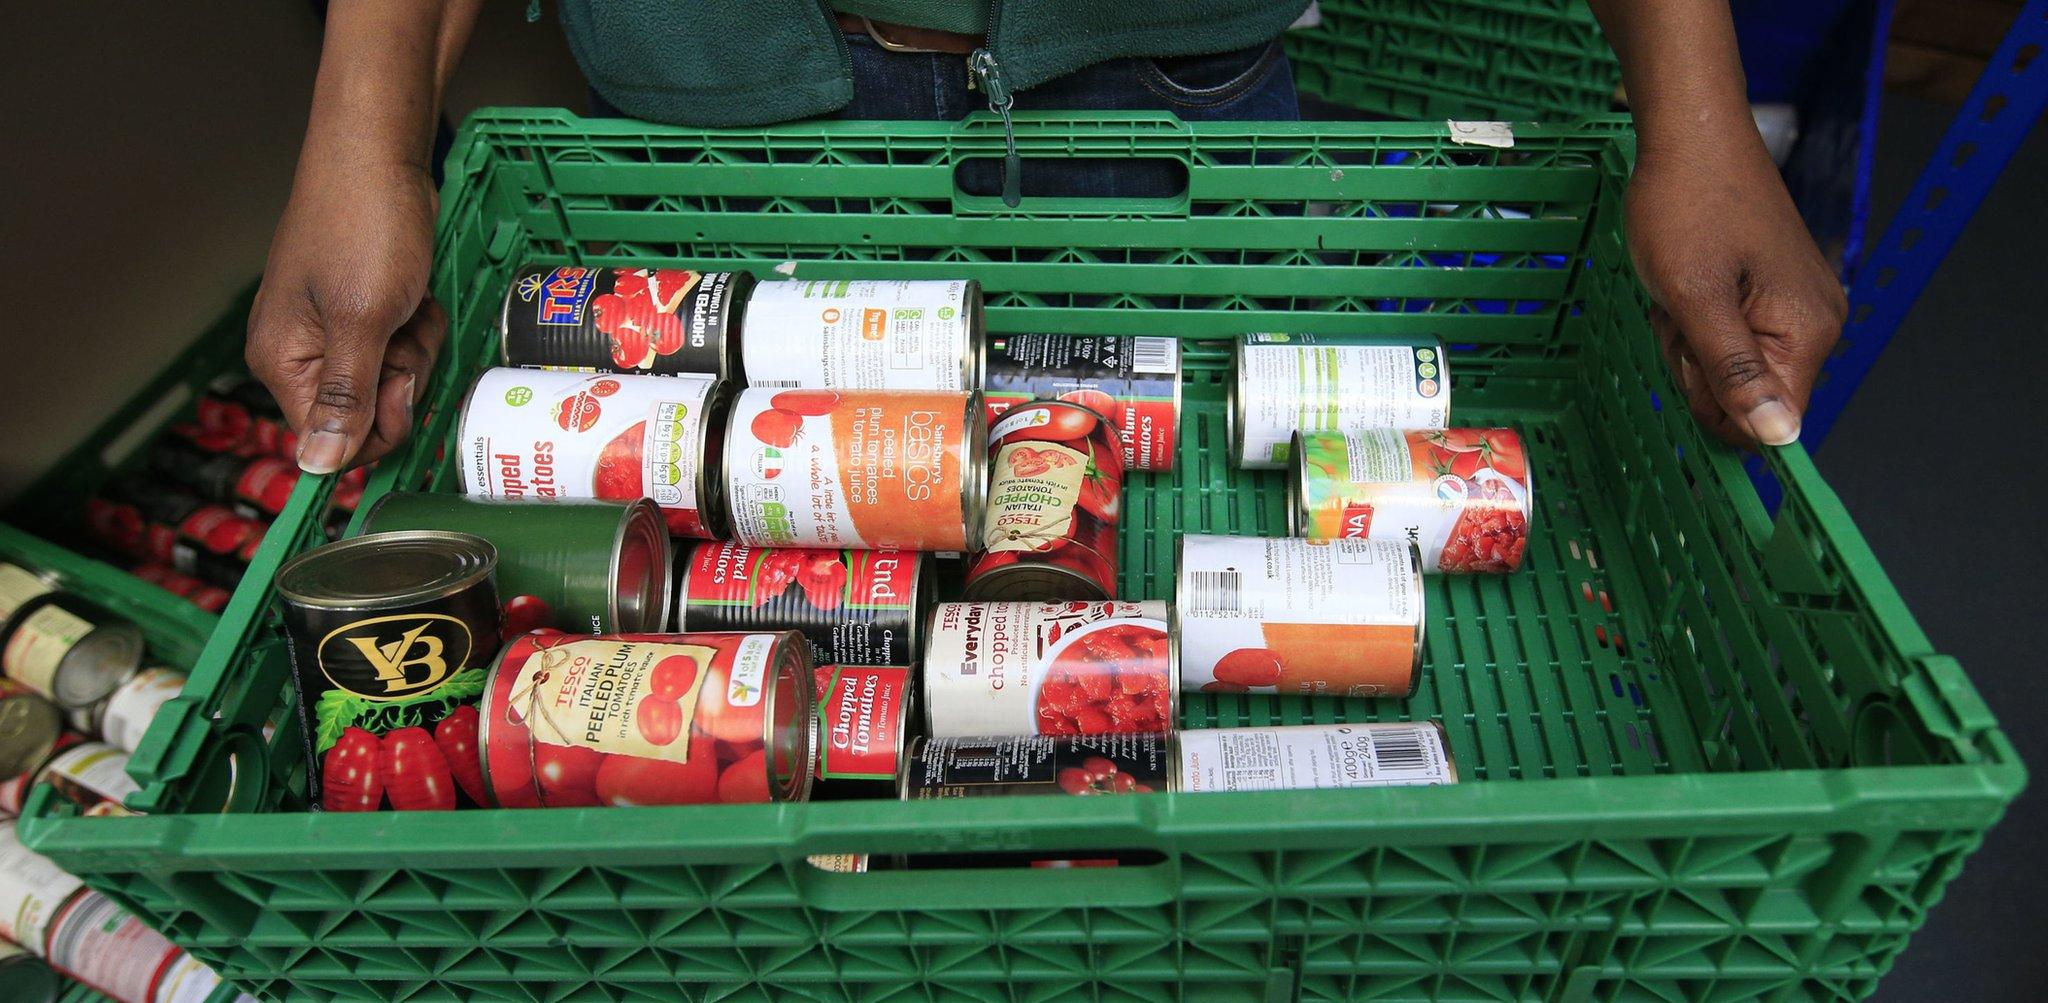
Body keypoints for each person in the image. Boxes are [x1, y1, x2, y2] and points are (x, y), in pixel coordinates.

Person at [250, 0, 1846, 474]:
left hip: (1171, 80)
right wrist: (360, 125)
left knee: (1182, 482)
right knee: (744, 525)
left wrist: (1696, 118)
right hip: (721, 97)